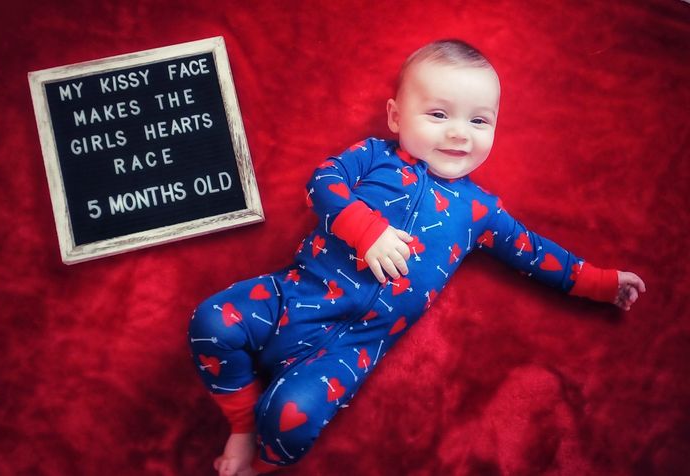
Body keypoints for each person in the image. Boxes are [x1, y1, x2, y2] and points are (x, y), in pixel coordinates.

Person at [188, 39, 646, 476]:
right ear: (395, 116)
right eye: (438, 113)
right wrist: (365, 229)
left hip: (351, 350)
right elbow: (322, 182)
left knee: (292, 418)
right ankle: (242, 425)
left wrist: (602, 283)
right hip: (294, 294)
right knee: (211, 321)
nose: (457, 133)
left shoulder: (482, 211)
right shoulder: (372, 155)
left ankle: (262, 458)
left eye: (479, 121)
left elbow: (537, 252)